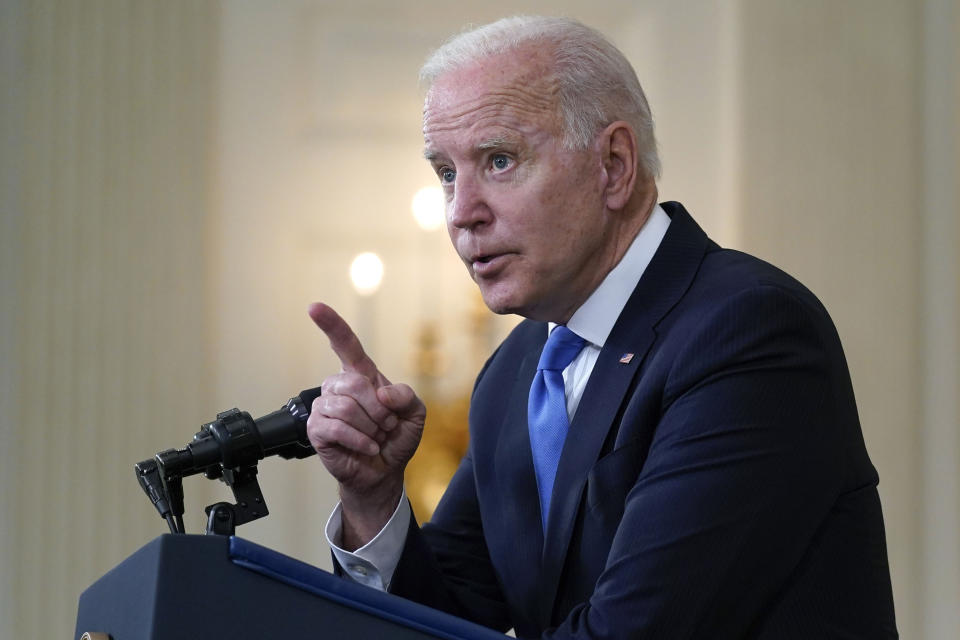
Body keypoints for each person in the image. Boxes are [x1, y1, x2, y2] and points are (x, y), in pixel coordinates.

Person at [305, 15, 898, 639]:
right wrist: (371, 499)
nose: (461, 214)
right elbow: (445, 621)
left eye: (499, 160)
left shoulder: (749, 335)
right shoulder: (513, 375)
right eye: (447, 173)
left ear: (613, 165)